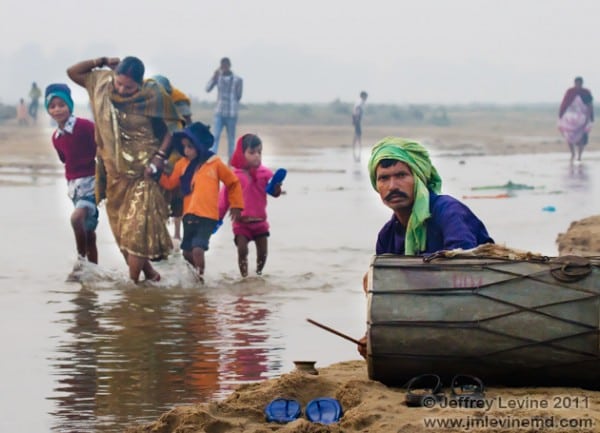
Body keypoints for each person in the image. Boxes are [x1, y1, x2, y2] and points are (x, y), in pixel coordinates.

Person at [357, 137, 494, 357]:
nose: (392, 186)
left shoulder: (449, 212)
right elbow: (386, 294)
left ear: (419, 178)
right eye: (384, 178)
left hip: (475, 316)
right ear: (377, 186)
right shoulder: (387, 235)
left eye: (401, 175)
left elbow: (465, 272)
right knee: (372, 277)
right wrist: (375, 334)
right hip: (428, 320)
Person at [67, 56, 183, 283]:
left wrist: (160, 157)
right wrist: (99, 61)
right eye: (119, 84)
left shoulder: (153, 94)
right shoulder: (102, 84)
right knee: (122, 234)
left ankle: (132, 286)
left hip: (145, 173)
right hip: (115, 175)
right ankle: (151, 277)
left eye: (129, 87)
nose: (122, 90)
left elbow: (174, 126)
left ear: (140, 83)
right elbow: (72, 72)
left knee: (136, 232)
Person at [160, 122, 243, 283]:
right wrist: (159, 173)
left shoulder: (215, 163)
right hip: (188, 215)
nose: (186, 151)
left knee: (198, 249)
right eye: (184, 147)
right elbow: (170, 183)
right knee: (186, 252)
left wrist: (236, 205)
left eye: (190, 146)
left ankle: (200, 280)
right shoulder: (182, 164)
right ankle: (195, 277)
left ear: (200, 145)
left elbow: (233, 183)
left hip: (207, 216)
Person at [45, 83, 99, 281]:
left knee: (76, 219)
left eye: (61, 105)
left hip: (91, 184)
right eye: (52, 106)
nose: (57, 109)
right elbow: (64, 158)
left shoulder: (84, 126)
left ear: (70, 105)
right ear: (48, 110)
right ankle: (92, 274)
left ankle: (80, 260)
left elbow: (101, 145)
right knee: (89, 234)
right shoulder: (56, 137)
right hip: (74, 188)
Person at [218, 133, 283, 277]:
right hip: (241, 223)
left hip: (260, 222)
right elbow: (224, 199)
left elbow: (273, 191)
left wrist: (277, 187)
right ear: (242, 154)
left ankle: (258, 274)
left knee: (263, 252)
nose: (256, 156)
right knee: (242, 251)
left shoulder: (265, 173)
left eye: (259, 152)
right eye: (252, 152)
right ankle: (245, 277)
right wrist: (217, 219)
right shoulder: (234, 176)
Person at [151, 74, 194, 240]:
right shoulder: (149, 102)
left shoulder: (179, 101)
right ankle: (160, 230)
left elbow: (186, 125)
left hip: (179, 146)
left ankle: (177, 232)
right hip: (159, 144)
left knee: (178, 190)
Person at [205, 57, 243, 161]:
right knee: (215, 136)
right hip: (219, 112)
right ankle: (212, 159)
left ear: (229, 66)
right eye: (223, 66)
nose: (224, 68)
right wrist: (214, 77)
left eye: (226, 66)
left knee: (231, 139)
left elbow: (239, 95)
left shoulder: (238, 80)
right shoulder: (218, 78)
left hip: (231, 113)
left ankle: (231, 161)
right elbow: (207, 89)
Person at [558, 76, 594, 162]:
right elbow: (565, 103)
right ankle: (572, 153)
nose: (578, 85)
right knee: (569, 136)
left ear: (582, 83)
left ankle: (579, 156)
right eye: (576, 83)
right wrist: (561, 114)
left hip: (582, 117)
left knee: (582, 136)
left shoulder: (586, 92)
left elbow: (589, 105)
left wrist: (589, 117)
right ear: (574, 83)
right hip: (570, 118)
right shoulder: (570, 92)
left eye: (579, 83)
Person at [352, 91, 368, 162]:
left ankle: (355, 146)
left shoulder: (360, 101)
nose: (366, 98)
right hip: (357, 118)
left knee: (357, 133)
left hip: (356, 118)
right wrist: (357, 119)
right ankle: (359, 146)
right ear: (363, 96)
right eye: (365, 96)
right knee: (358, 133)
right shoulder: (360, 102)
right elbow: (357, 109)